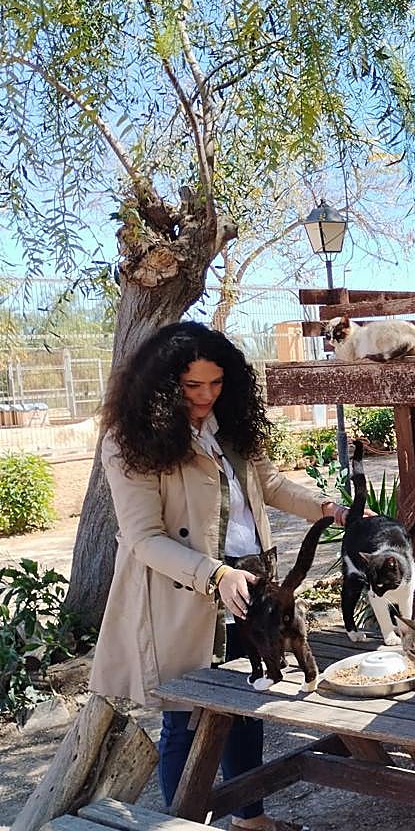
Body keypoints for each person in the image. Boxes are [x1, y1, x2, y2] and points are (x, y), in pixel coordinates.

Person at [89, 322, 352, 831]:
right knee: (187, 721)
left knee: (249, 703)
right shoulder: (128, 445)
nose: (206, 396)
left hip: (254, 590)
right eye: (192, 386)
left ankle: (249, 820)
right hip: (186, 597)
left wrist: (327, 509)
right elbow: (143, 538)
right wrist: (214, 575)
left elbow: (269, 483)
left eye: (216, 383)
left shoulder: (230, 429)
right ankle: (187, 824)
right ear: (163, 387)